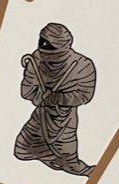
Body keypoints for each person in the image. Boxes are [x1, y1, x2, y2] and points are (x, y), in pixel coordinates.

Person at [14, 23, 96, 175]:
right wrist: (39, 97)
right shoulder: (36, 60)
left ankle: (68, 163)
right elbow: (26, 91)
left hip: (64, 118)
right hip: (41, 115)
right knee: (22, 150)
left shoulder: (82, 65)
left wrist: (55, 98)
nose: (44, 46)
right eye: (42, 41)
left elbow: (85, 95)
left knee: (69, 159)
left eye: (49, 44)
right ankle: (49, 156)